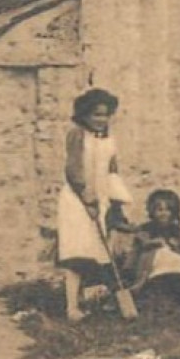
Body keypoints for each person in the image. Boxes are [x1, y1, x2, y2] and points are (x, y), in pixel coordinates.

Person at [54, 88, 134, 320]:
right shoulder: (77, 134)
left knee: (98, 251)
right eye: (96, 114)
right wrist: (86, 198)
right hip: (76, 200)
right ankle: (71, 308)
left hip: (101, 201)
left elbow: (112, 171)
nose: (102, 119)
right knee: (76, 251)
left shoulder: (108, 140)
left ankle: (90, 300)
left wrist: (116, 201)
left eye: (106, 115)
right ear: (84, 115)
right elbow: (73, 168)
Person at [130, 189, 180, 301]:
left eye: (168, 210)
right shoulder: (147, 228)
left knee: (177, 259)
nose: (164, 214)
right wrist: (153, 242)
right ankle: (146, 285)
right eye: (159, 210)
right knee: (159, 255)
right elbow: (140, 244)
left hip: (173, 261)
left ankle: (179, 286)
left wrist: (178, 247)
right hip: (151, 261)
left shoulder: (176, 230)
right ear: (152, 211)